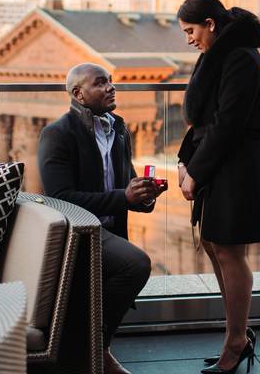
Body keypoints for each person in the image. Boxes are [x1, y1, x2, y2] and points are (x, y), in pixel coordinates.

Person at [176, 0, 260, 374]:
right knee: (213, 243)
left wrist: (196, 171)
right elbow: (207, 123)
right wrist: (184, 162)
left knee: (228, 249)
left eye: (191, 30)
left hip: (239, 165)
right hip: (224, 162)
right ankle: (236, 334)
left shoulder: (238, 57)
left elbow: (228, 125)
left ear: (211, 24)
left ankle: (236, 340)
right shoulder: (220, 55)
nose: (188, 39)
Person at [37, 63, 164, 374]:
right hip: (76, 233)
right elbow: (61, 199)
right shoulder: (57, 134)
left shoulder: (118, 130)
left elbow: (125, 185)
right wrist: (123, 197)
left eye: (110, 81)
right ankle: (91, 349)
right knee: (136, 264)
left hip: (109, 231)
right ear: (78, 94)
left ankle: (86, 347)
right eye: (100, 83)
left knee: (127, 266)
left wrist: (143, 196)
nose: (110, 87)